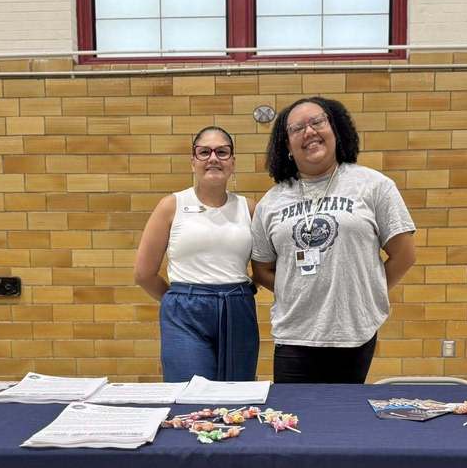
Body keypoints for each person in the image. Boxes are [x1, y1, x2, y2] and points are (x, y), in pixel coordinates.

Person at [251, 97, 416, 384]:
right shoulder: (272, 202)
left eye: (317, 122)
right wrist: (300, 289)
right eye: (297, 128)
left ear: (336, 130)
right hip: (295, 333)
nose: (309, 132)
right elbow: (262, 269)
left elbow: (404, 256)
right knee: (292, 420)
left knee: (342, 420)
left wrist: (362, 289)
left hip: (352, 331)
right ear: (287, 146)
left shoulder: (374, 186)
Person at [134, 126, 259, 382]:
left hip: (237, 308)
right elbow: (144, 274)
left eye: (222, 152)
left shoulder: (250, 208)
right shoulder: (171, 205)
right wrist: (178, 300)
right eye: (204, 152)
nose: (213, 158)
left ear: (233, 162)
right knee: (189, 396)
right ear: (193, 161)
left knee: (237, 396)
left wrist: (242, 292)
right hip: (185, 310)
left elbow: (264, 266)